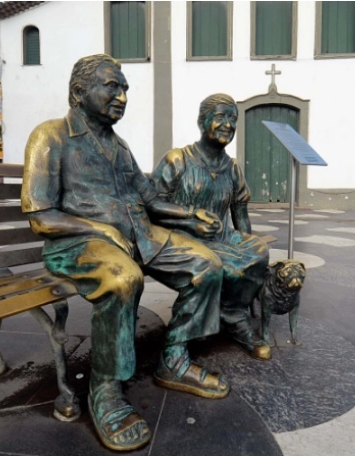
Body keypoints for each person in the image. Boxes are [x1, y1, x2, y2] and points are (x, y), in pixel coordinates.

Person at [21, 55, 229, 452]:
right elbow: (41, 216)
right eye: (111, 87)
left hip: (139, 235)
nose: (122, 96)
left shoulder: (119, 146)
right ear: (79, 93)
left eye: (125, 88)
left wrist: (189, 215)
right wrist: (99, 228)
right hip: (77, 242)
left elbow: (149, 198)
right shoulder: (50, 136)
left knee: (207, 265)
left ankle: (175, 359)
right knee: (123, 279)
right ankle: (106, 388)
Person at [151, 93, 271, 361]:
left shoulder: (233, 167)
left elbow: (240, 211)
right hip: (181, 237)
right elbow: (150, 205)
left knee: (259, 251)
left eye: (233, 118)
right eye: (220, 116)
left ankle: (233, 316)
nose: (228, 124)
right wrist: (190, 219)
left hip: (221, 236)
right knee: (213, 264)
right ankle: (188, 339)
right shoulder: (178, 160)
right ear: (202, 121)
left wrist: (248, 257)